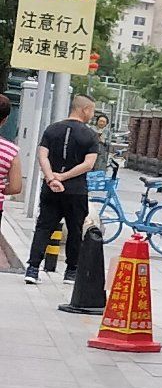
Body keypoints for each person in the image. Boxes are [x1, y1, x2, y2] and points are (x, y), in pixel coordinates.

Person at [26, 92, 101, 285]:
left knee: (44, 226)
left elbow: (42, 156)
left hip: (50, 189)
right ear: (84, 109)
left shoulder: (52, 130)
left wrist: (52, 178)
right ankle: (71, 271)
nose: (92, 115)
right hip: (76, 190)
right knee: (75, 230)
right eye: (91, 110)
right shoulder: (90, 135)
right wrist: (64, 177)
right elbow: (88, 164)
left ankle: (33, 269)